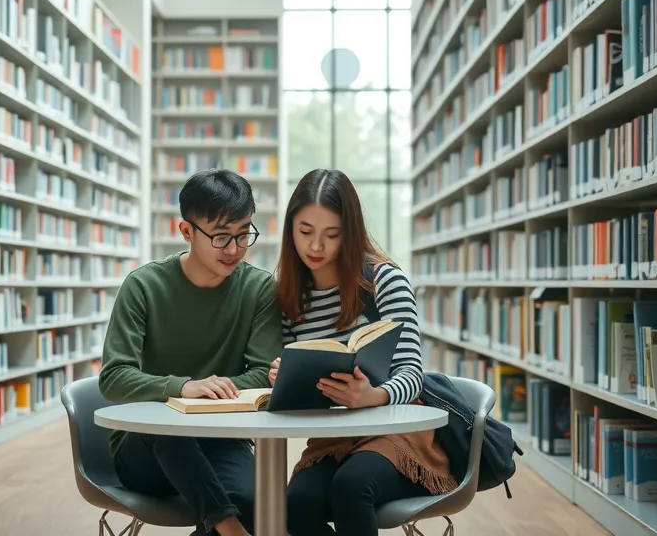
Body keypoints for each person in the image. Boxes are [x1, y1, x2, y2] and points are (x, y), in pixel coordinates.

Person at [269, 168, 456, 536]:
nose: (316, 247)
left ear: (350, 233)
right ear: (290, 229)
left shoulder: (384, 280)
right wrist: (283, 379)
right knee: (295, 505)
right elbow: (304, 390)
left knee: (351, 487)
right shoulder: (291, 297)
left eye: (332, 235)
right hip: (333, 438)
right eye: (305, 232)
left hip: (394, 432)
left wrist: (375, 394)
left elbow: (412, 374)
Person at [99, 169, 283, 536]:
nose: (234, 249)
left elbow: (265, 372)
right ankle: (233, 531)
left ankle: (229, 526)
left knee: (249, 499)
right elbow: (114, 376)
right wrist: (183, 388)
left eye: (243, 233)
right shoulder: (144, 286)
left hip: (221, 440)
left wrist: (210, 390)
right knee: (165, 424)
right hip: (147, 452)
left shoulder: (260, 288)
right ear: (186, 232)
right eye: (220, 237)